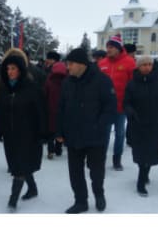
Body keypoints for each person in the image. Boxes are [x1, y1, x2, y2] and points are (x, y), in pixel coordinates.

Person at [57, 48, 117, 213]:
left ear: (82, 64)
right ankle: (80, 201)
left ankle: (99, 195)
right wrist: (60, 131)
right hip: (73, 135)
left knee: (96, 171)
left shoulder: (102, 80)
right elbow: (61, 108)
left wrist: (98, 126)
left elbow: (110, 108)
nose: (68, 67)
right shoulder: (67, 82)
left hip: (95, 137)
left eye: (70, 64)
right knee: (75, 172)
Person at [0, 55, 47, 211]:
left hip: (28, 135)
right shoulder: (5, 89)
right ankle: (32, 188)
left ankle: (13, 200)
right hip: (10, 136)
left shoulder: (32, 88)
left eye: (13, 68)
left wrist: (42, 133)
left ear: (21, 70)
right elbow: (1, 112)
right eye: (7, 68)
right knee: (18, 164)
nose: (9, 72)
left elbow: (41, 112)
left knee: (19, 167)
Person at [124, 56, 158, 197]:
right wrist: (130, 111)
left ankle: (142, 178)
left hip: (156, 124)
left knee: (151, 153)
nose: (147, 67)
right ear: (138, 66)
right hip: (138, 124)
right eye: (144, 64)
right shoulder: (132, 84)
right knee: (140, 153)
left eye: (150, 64)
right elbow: (126, 102)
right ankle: (142, 176)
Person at [98, 34, 136, 170]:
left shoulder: (129, 62)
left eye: (112, 47)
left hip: (121, 105)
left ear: (119, 48)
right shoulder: (102, 63)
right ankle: (101, 159)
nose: (108, 49)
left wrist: (131, 102)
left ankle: (117, 159)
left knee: (120, 133)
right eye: (107, 46)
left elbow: (134, 84)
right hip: (106, 107)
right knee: (105, 133)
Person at [45, 61, 67, 159]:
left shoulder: (49, 81)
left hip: (50, 110)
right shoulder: (67, 82)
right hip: (62, 111)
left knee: (50, 132)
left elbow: (44, 95)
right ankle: (58, 149)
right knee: (60, 131)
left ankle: (50, 150)